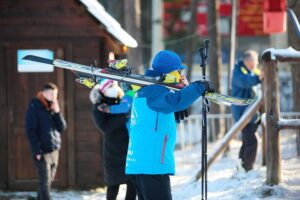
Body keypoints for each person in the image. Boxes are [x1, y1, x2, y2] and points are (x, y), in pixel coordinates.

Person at [125, 50, 214, 200]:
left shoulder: (147, 90)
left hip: (143, 164)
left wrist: (173, 115)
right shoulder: (153, 91)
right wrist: (199, 86)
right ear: (168, 71)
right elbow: (176, 101)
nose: (181, 75)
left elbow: (155, 122)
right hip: (152, 167)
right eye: (178, 70)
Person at [89, 79, 136, 200]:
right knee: (113, 185)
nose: (114, 88)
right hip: (113, 151)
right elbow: (106, 127)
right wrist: (124, 116)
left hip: (129, 147)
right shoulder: (99, 107)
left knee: (133, 184)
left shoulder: (121, 100)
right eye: (111, 86)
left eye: (115, 85)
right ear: (104, 90)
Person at [25, 82, 67, 200]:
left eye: (55, 95)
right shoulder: (35, 107)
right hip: (41, 151)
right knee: (45, 183)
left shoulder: (53, 107)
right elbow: (30, 130)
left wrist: (57, 112)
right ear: (43, 94)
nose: (53, 97)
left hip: (54, 150)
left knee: (48, 182)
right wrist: (36, 150)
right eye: (51, 94)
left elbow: (62, 128)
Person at [231, 50, 264, 171]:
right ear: (248, 61)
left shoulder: (249, 71)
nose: (256, 64)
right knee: (251, 141)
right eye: (255, 61)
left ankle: (242, 167)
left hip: (250, 113)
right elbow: (245, 81)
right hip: (243, 113)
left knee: (247, 141)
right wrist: (259, 77)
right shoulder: (239, 71)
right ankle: (247, 168)